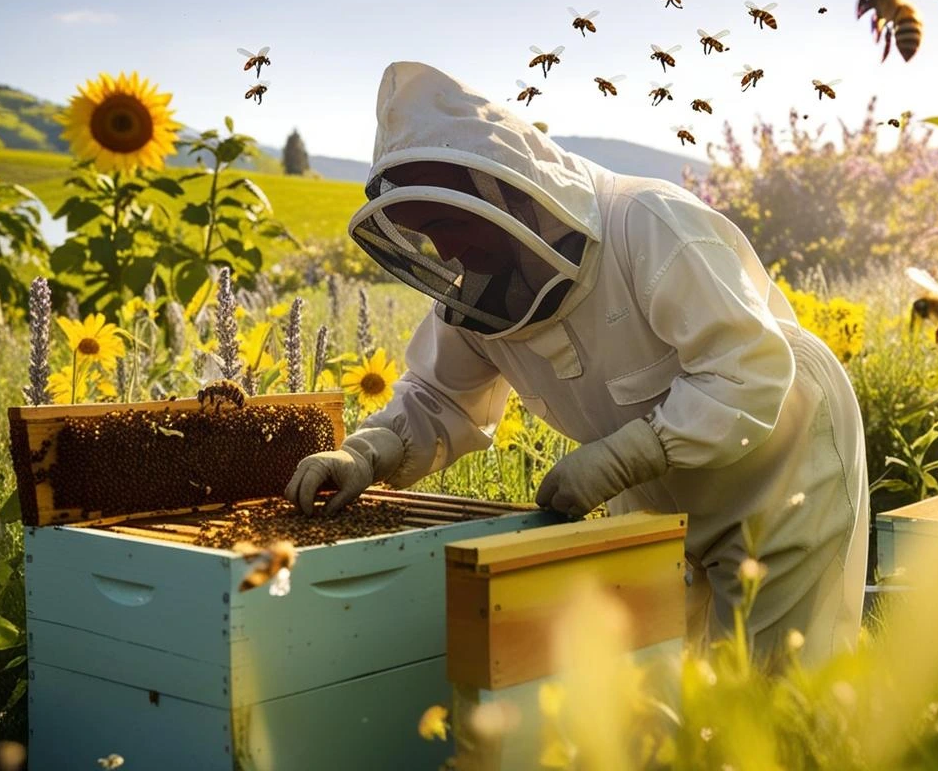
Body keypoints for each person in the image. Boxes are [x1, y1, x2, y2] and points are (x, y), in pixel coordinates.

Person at [285, 61, 869, 661]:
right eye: (425, 235)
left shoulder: (648, 223)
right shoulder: (480, 295)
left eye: (444, 224)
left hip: (782, 459)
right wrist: (366, 452)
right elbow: (439, 397)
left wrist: (626, 454)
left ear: (493, 192)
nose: (445, 250)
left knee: (776, 687)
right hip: (650, 484)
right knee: (666, 683)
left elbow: (747, 369)